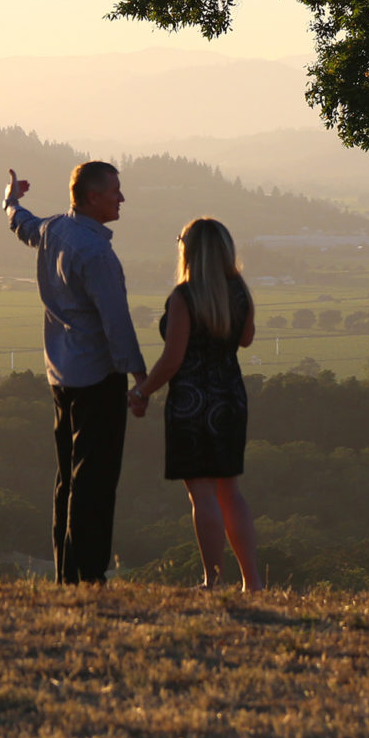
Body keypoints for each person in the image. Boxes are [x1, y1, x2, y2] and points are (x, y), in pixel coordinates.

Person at [3, 162, 148, 584]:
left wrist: (9, 199)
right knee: (95, 485)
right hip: (97, 380)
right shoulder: (96, 253)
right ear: (91, 198)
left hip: (60, 375)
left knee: (68, 480)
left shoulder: (53, 230)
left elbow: (22, 224)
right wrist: (140, 378)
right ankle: (87, 578)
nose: (121, 199)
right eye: (115, 191)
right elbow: (116, 324)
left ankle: (68, 576)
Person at [129, 217, 263, 591]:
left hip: (191, 401)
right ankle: (252, 582)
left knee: (201, 493)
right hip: (231, 397)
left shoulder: (184, 297)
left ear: (188, 250)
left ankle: (213, 580)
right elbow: (247, 340)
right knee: (230, 491)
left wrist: (140, 393)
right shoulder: (240, 292)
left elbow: (172, 359)